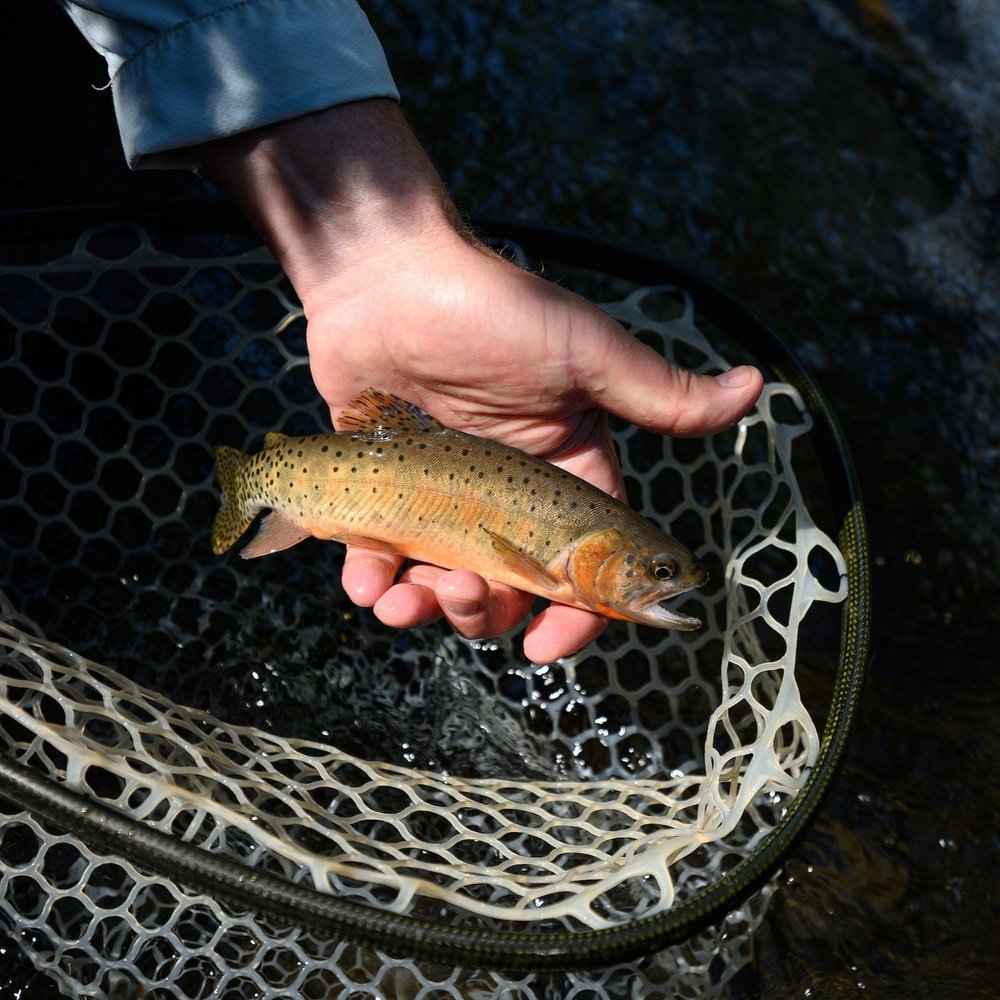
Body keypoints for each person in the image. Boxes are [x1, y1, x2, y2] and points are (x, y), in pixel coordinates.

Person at [58, 1, 763, 662]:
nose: (668, 580)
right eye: (658, 570)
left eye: (664, 573)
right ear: (606, 550)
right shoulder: (566, 544)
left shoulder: (570, 548)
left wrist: (377, 262)